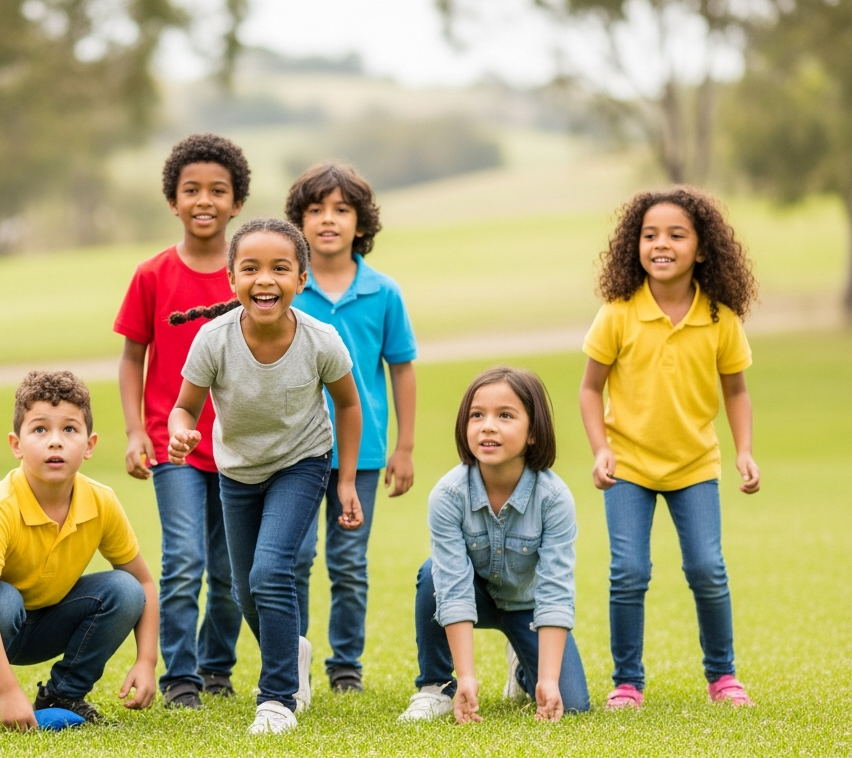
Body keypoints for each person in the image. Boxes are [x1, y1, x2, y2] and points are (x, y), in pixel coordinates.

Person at [167, 218, 363, 735]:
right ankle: (290, 649)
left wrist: (344, 481)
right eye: (250, 268)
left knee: (270, 570)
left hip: (301, 463)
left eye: (280, 268)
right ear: (231, 279)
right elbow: (183, 408)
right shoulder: (214, 340)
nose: (264, 280)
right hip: (238, 472)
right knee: (242, 589)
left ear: (302, 279)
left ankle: (277, 698)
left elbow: (347, 405)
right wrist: (181, 432)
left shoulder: (320, 340)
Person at [579, 187, 760, 710]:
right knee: (629, 573)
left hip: (695, 464)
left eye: (676, 235)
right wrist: (600, 449)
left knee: (707, 569)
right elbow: (591, 389)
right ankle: (627, 682)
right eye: (649, 235)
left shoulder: (720, 317)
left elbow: (737, 391)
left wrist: (744, 450)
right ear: (634, 245)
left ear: (702, 249)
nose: (661, 244)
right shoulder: (617, 312)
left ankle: (723, 677)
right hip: (628, 466)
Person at [0, 371, 159, 729]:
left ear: (89, 444)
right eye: (40, 429)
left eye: (69, 429)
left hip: (44, 620)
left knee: (126, 590)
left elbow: (145, 585)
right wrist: (7, 691)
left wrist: (147, 661)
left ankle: (64, 693)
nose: (55, 442)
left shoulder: (102, 502)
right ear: (16, 444)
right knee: (3, 600)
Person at [113, 133, 249, 708]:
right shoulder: (152, 274)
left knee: (230, 572)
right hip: (175, 447)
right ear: (172, 199)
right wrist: (136, 430)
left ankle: (217, 667)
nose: (204, 200)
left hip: (243, 448)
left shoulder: (251, 274)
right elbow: (131, 357)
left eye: (218, 190)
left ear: (236, 202)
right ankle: (181, 678)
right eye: (191, 189)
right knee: (185, 559)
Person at [285, 162, 417, 694]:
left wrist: (404, 447)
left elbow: (401, 368)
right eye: (315, 210)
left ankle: (345, 667)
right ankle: (290, 663)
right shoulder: (287, 286)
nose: (328, 220)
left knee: (348, 564)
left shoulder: (384, 293)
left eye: (341, 210)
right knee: (294, 560)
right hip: (294, 451)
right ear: (299, 222)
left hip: (361, 455)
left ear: (361, 223)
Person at [399, 367, 589, 723]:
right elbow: (453, 587)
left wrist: (547, 680)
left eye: (505, 415)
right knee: (432, 575)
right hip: (476, 597)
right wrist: (467, 677)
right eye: (477, 415)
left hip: (529, 607)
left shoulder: (555, 498)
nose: (488, 426)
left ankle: (523, 667)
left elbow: (555, 590)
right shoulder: (447, 495)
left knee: (573, 703)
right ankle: (436, 685)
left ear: (533, 432)